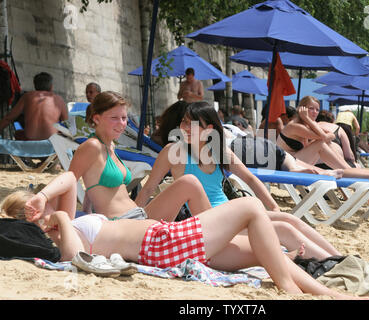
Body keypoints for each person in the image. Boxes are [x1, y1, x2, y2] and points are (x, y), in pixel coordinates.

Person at [1, 172, 369, 298]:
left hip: (169, 242)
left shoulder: (63, 220)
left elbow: (71, 177)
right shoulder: (61, 240)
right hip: (163, 243)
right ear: (31, 223)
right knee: (251, 208)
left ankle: (360, 285)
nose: (53, 211)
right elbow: (79, 261)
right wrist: (53, 222)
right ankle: (301, 293)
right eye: (37, 212)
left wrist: (42, 195)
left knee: (269, 245)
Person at [135, 101, 343, 259]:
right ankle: (330, 263)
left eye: (192, 124)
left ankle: (340, 259)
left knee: (290, 219)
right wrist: (131, 221)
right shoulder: (174, 151)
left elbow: (251, 179)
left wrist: (273, 207)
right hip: (207, 223)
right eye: (184, 122)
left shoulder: (219, 151)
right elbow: (147, 189)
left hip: (228, 213)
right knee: (284, 229)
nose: (185, 127)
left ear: (209, 129)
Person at [67, 92, 209, 220]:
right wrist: (70, 223)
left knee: (190, 185)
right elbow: (67, 182)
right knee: (189, 183)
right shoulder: (92, 146)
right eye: (115, 118)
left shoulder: (110, 146)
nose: (122, 124)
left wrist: (86, 208)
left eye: (124, 118)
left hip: (138, 214)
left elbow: (92, 178)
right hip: (123, 222)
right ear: (96, 119)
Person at [277, 96, 369, 190]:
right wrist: (308, 119)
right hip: (286, 166)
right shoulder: (294, 126)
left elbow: (331, 135)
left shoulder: (307, 125)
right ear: (302, 109)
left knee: (340, 171)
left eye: (317, 109)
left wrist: (310, 122)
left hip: (297, 162)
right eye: (311, 109)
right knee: (323, 148)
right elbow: (324, 137)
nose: (315, 113)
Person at [0, 72, 68, 140]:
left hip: (30, 142)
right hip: (50, 144)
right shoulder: (59, 100)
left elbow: (8, 118)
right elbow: (67, 125)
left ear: (35, 86)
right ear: (51, 87)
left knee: (17, 130)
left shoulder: (27, 96)